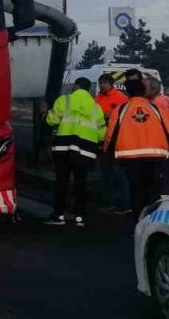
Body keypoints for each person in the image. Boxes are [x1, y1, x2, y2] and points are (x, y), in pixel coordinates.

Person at [104, 78, 169, 218]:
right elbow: (168, 131)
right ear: (143, 92)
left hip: (130, 158)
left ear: (128, 93)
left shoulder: (121, 109)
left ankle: (139, 221)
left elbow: (111, 134)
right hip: (156, 156)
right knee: (152, 190)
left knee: (136, 190)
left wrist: (107, 151)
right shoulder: (155, 108)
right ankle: (154, 220)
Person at [43, 77, 105, 226]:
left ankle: (59, 215)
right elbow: (102, 132)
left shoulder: (65, 100)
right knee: (80, 183)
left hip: (64, 148)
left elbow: (52, 120)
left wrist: (44, 113)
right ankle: (80, 216)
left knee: (62, 182)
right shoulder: (96, 106)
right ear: (88, 89)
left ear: (76, 86)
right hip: (85, 150)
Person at [93, 74, 130, 213]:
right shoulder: (97, 98)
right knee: (106, 174)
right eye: (101, 83)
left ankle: (125, 203)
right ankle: (111, 202)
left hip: (116, 141)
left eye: (105, 83)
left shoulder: (120, 98)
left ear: (111, 84)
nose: (102, 85)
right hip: (102, 142)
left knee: (118, 174)